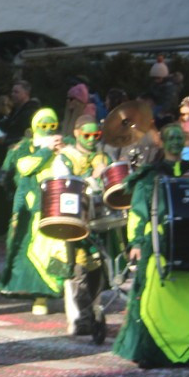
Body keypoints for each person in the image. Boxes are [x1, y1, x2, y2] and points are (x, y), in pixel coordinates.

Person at [112, 124, 189, 368]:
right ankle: (152, 352)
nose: (176, 143)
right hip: (158, 245)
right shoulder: (150, 175)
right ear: (162, 142)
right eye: (171, 138)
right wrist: (137, 241)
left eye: (181, 138)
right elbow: (138, 211)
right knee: (152, 299)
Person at [50, 115, 111, 339]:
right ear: (76, 133)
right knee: (77, 270)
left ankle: (94, 314)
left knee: (97, 268)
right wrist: (91, 177)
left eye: (96, 135)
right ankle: (78, 319)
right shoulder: (65, 157)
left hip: (100, 220)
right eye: (87, 135)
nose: (92, 139)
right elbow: (63, 185)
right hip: (74, 221)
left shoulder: (103, 156)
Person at [0, 108, 65, 314]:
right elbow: (25, 167)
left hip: (59, 205)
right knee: (32, 250)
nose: (48, 130)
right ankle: (39, 295)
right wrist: (45, 150)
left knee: (57, 251)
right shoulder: (23, 147)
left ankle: (57, 291)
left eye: (52, 126)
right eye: (43, 126)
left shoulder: (64, 144)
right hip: (32, 206)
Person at [0, 80, 40, 146]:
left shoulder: (31, 112)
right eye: (12, 92)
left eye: (16, 92)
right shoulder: (15, 110)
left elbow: (27, 136)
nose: (12, 94)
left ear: (26, 93)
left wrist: (6, 140)